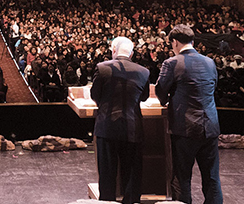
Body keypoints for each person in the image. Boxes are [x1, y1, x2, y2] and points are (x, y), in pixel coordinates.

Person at [156, 24, 223, 204]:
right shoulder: (210, 62)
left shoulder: (172, 63)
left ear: (175, 42)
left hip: (185, 128)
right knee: (212, 178)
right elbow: (212, 87)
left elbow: (161, 93)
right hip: (210, 126)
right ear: (192, 41)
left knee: (182, 178)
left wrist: (169, 98)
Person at [90, 36, 150, 204]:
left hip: (107, 127)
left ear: (114, 50)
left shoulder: (102, 68)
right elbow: (144, 97)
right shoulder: (143, 71)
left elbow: (95, 95)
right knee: (132, 177)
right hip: (133, 128)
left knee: (107, 176)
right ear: (131, 54)